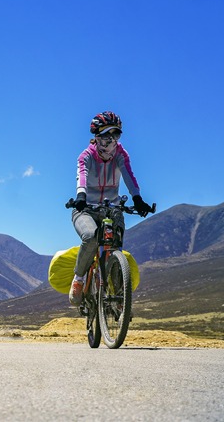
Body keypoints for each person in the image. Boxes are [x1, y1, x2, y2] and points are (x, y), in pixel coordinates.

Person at [69, 111, 154, 306]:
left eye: (116, 134)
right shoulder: (86, 156)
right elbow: (82, 174)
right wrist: (81, 195)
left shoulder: (120, 154)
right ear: (97, 137)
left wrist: (137, 198)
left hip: (112, 207)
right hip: (86, 208)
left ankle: (119, 299)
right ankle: (79, 279)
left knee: (115, 244)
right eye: (108, 135)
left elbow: (128, 175)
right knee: (90, 236)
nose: (112, 140)